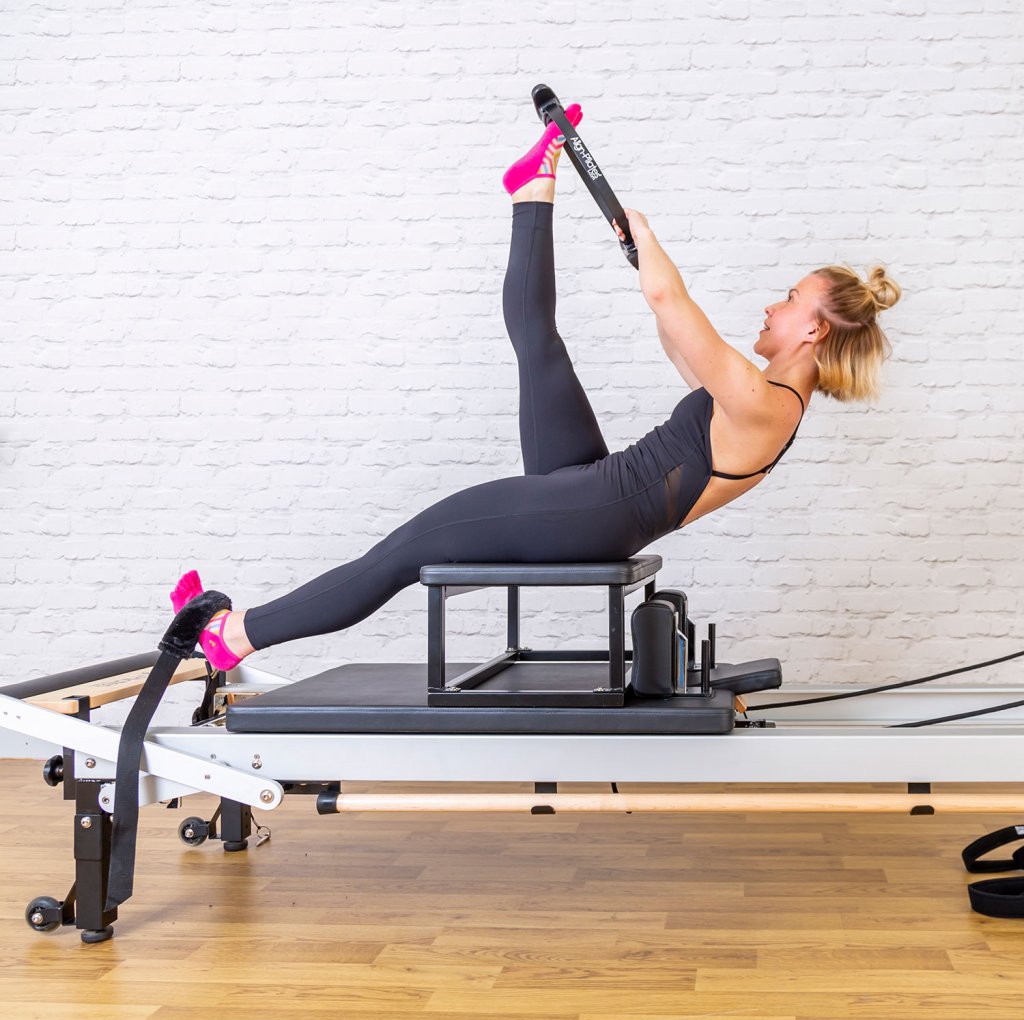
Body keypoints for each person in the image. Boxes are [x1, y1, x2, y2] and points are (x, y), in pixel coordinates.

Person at [173, 101, 902, 671]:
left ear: (814, 331)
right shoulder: (757, 396)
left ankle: (234, 636)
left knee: (406, 550)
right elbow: (676, 334)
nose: (772, 306)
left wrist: (646, 237)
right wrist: (638, 257)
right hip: (595, 487)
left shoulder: (764, 403)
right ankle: (531, 189)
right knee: (538, 343)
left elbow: (667, 300)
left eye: (789, 300)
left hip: (594, 512)